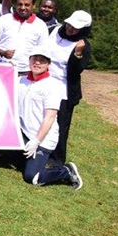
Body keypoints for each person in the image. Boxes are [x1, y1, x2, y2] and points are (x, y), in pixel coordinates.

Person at [18, 49, 83, 190]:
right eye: (34, 59)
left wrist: (37, 141)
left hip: (43, 139)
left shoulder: (53, 86)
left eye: (42, 60)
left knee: (32, 177)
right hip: (23, 133)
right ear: (29, 60)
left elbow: (50, 117)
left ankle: (66, 171)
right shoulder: (21, 81)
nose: (37, 63)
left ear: (48, 64)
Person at [47, 10, 92, 165]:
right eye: (69, 24)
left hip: (63, 89)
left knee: (60, 125)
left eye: (75, 28)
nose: (70, 28)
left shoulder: (83, 45)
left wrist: (77, 54)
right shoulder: (53, 32)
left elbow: (75, 71)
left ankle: (56, 159)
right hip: (44, 83)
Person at [0, 0, 49, 74]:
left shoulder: (41, 26)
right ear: (15, 5)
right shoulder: (4, 20)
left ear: (33, 6)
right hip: (1, 69)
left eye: (27, 5)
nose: (23, 8)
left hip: (26, 72)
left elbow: (42, 51)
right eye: (20, 4)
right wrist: (2, 52)